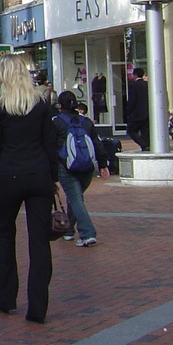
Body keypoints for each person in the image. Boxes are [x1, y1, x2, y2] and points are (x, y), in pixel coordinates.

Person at [0, 52, 59, 324]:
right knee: (39, 240)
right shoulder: (41, 104)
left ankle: (6, 296)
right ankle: (38, 307)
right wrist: (52, 177)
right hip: (39, 174)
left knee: (5, 234)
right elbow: (50, 144)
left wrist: (3, 162)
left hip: (11, 175)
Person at [53, 90, 109, 246]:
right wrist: (103, 163)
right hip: (87, 167)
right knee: (75, 198)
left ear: (60, 105)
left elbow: (50, 147)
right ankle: (69, 230)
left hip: (66, 166)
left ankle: (87, 233)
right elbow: (97, 143)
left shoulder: (56, 122)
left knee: (75, 198)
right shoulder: (86, 122)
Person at [125, 67, 149, 151]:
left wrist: (128, 112)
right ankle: (146, 146)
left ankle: (144, 145)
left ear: (135, 75)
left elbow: (132, 100)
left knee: (131, 131)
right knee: (145, 131)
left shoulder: (133, 85)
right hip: (147, 112)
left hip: (137, 113)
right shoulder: (147, 85)